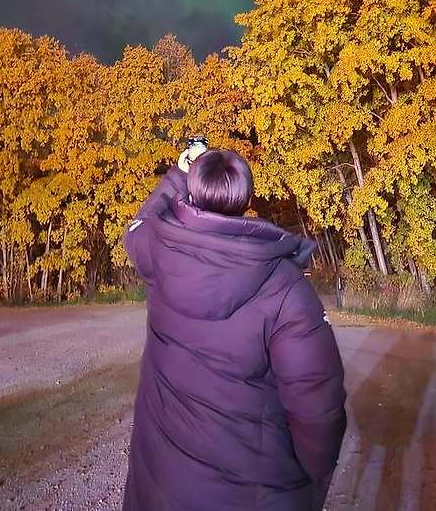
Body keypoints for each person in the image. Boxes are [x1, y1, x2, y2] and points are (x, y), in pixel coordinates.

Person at [122, 148, 346, 511]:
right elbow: (318, 409)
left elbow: (138, 224)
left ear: (193, 194)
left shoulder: (159, 250)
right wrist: (310, 483)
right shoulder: (284, 285)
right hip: (250, 493)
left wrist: (178, 173)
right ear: (245, 199)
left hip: (159, 484)